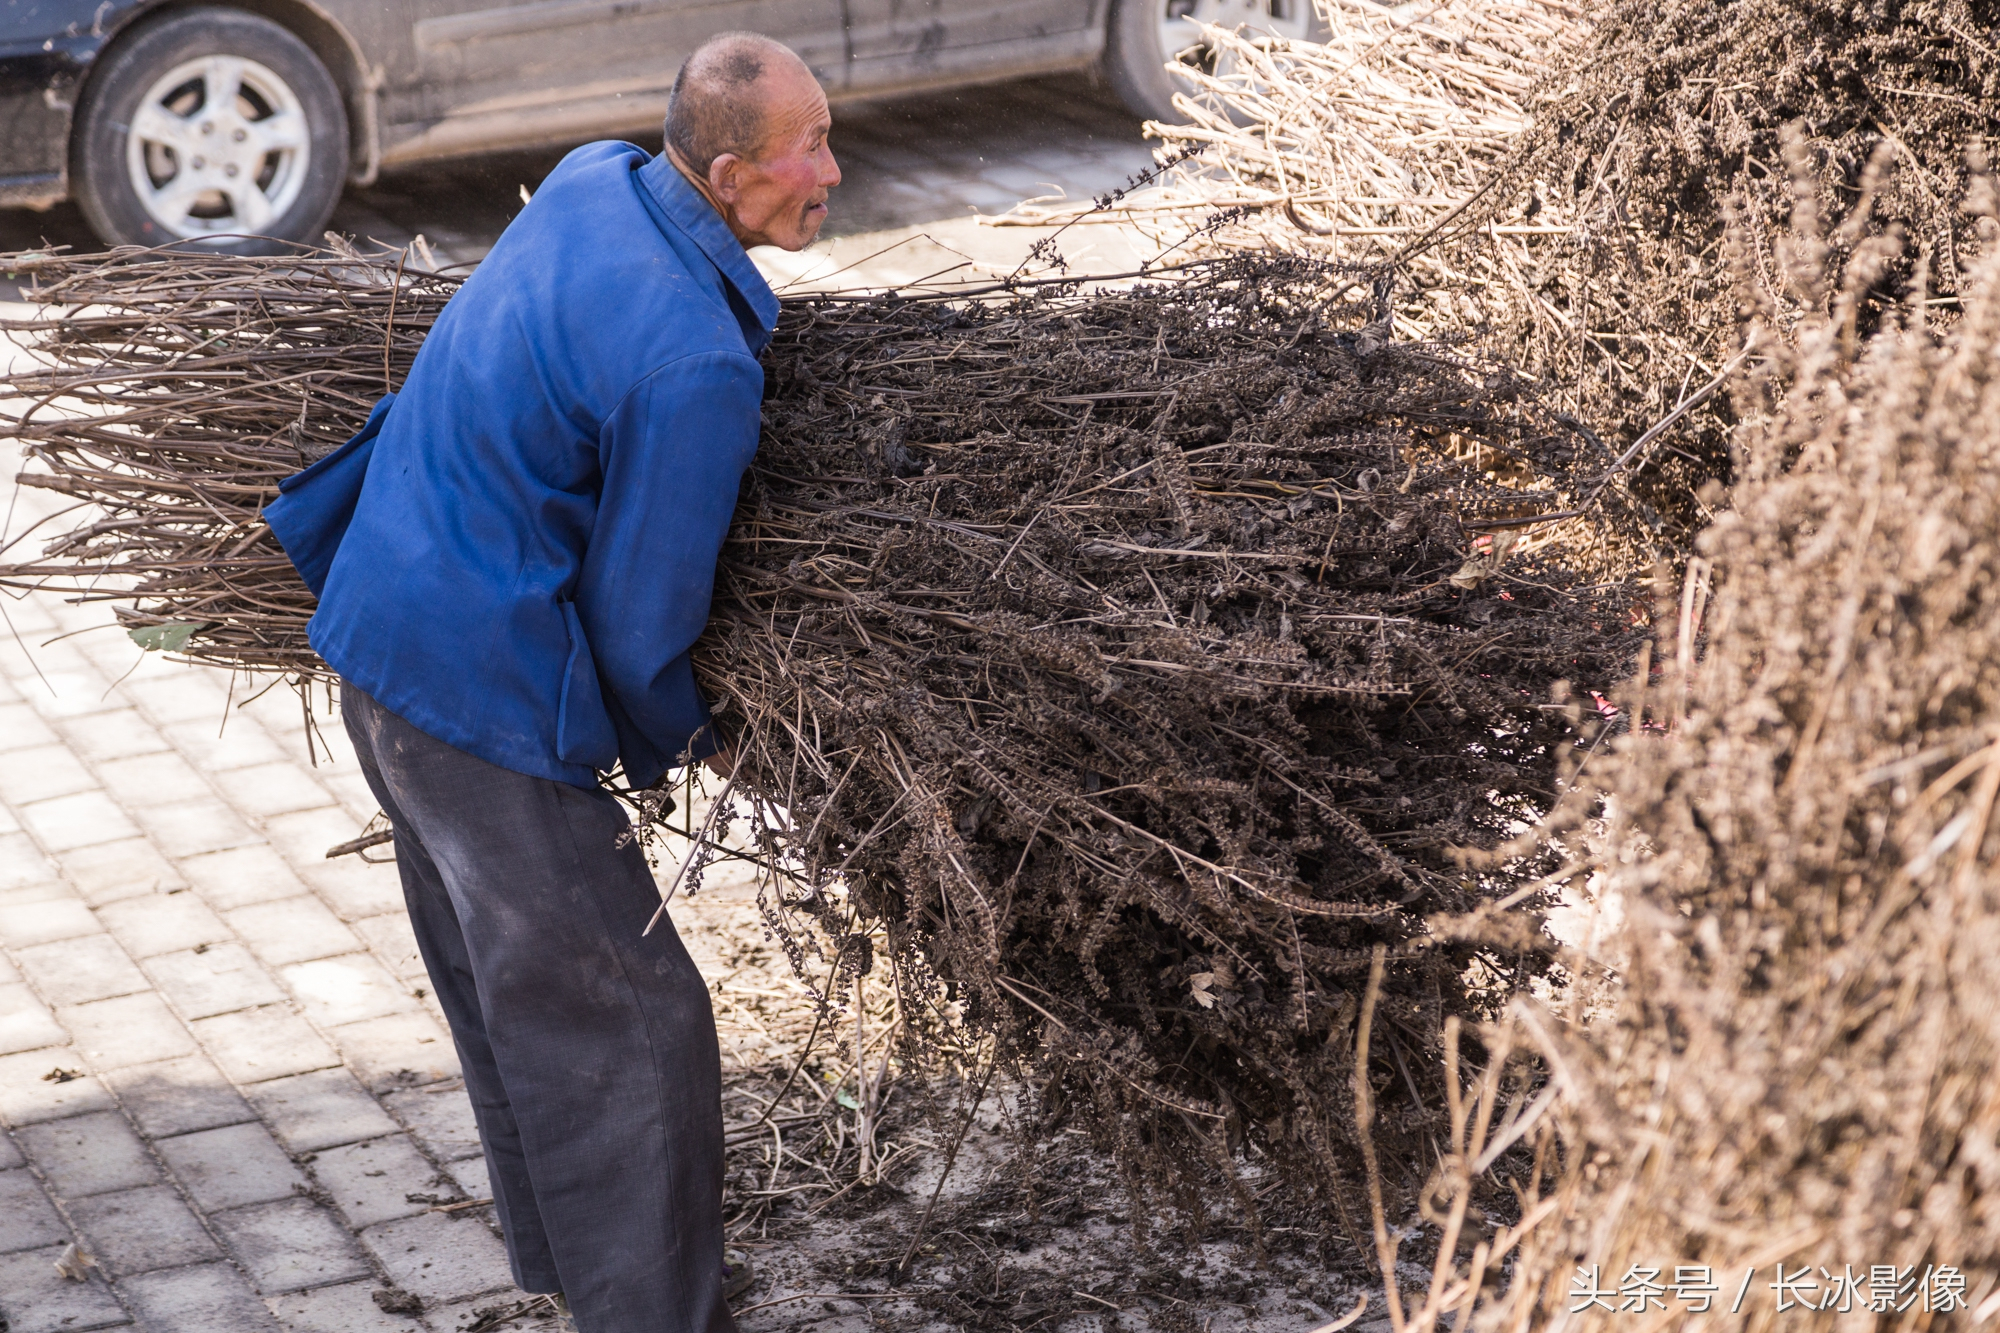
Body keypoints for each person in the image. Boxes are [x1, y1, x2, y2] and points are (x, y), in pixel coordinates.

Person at [262, 32, 840, 1333]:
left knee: (512, 981)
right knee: (637, 1021)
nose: (835, 169)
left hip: (376, 639)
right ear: (737, 173)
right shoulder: (699, 363)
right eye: (812, 147)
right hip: (478, 705)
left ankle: (577, 1271)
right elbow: (642, 623)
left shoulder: (593, 177)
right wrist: (704, 739)